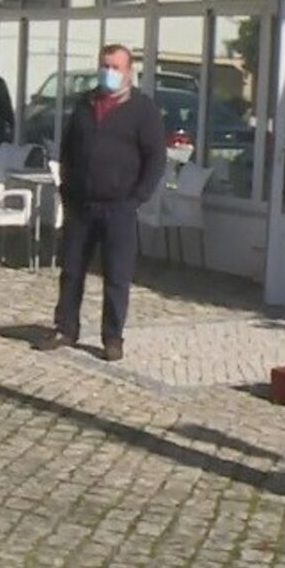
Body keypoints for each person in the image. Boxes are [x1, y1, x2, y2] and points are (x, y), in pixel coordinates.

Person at [36, 44, 166, 362]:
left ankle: (112, 337)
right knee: (71, 270)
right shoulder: (86, 103)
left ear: (128, 72)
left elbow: (156, 157)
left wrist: (139, 195)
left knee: (117, 276)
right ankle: (66, 327)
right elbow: (69, 148)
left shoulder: (143, 109)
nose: (108, 72)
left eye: (115, 67)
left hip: (119, 206)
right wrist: (67, 187)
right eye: (105, 66)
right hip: (81, 203)